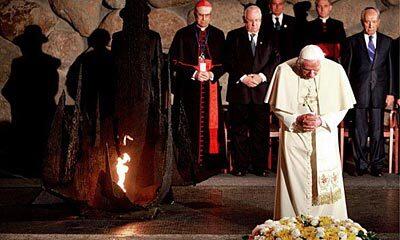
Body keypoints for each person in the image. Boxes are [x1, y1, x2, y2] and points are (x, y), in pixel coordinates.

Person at [266, 45, 356, 219]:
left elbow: (343, 106)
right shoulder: (283, 70)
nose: (312, 75)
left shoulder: (335, 70)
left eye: (316, 70)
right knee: (296, 179)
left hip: (324, 133)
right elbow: (276, 105)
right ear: (299, 64)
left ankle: (328, 220)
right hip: (295, 135)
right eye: (307, 70)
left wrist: (323, 120)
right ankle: (292, 220)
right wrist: (296, 119)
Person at [169, 0, 226, 184]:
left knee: (211, 125)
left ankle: (209, 165)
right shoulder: (183, 34)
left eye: (207, 15)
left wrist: (211, 73)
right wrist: (193, 73)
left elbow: (225, 63)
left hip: (210, 88)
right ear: (195, 14)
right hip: (188, 91)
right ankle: (187, 164)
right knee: (189, 124)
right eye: (200, 15)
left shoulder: (218, 35)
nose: (204, 18)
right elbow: (174, 61)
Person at [225, 5, 279, 177]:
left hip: (261, 91)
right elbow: (228, 60)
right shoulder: (233, 36)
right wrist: (243, 77)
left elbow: (276, 60)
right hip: (239, 91)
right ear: (244, 20)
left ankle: (259, 166)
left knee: (260, 132)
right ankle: (240, 166)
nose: (255, 24)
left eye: (257, 20)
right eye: (251, 21)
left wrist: (261, 76)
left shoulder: (270, 36)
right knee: (238, 131)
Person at [342, 7, 394, 177]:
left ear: (378, 22)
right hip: (359, 92)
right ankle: (361, 164)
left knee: (377, 131)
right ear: (362, 21)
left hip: (379, 92)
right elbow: (347, 71)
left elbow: (391, 70)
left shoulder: (387, 42)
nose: (370, 24)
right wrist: (347, 93)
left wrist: (391, 93)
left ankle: (377, 165)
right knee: (359, 130)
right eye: (367, 21)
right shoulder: (352, 42)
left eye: (373, 21)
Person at [2, 25, 60, 177]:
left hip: (28, 115)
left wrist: (20, 101)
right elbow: (52, 90)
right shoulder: (49, 64)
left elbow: (8, 89)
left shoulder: (20, 64)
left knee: (30, 153)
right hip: (41, 113)